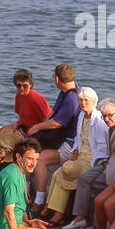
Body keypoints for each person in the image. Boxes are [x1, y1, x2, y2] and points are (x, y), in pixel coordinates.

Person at [39, 87, 107, 225]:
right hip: (80, 156)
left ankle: (58, 215)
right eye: (81, 100)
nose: (83, 103)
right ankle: (48, 208)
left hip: (92, 160)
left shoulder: (99, 121)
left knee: (65, 173)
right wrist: (75, 150)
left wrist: (94, 163)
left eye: (86, 100)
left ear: (94, 101)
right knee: (58, 173)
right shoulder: (82, 116)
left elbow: (103, 146)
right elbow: (78, 137)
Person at [67, 98, 115, 229]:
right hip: (107, 162)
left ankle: (95, 226)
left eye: (110, 115)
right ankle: (81, 218)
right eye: (104, 116)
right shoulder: (110, 126)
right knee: (84, 178)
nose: (107, 119)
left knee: (97, 185)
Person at [0, 138, 64, 229]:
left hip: (12, 226)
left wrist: (29, 221)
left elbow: (18, 206)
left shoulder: (19, 170)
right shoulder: (12, 176)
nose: (34, 163)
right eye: (30, 159)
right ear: (19, 157)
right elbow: (8, 212)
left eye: (36, 159)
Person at [25, 63, 80, 204]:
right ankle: (26, 190)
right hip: (59, 138)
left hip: (69, 143)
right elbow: (52, 114)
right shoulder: (66, 92)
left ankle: (39, 200)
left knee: (39, 160)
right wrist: (39, 128)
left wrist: (38, 127)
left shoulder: (72, 99)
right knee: (29, 150)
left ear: (56, 79)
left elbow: (58, 122)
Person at [12, 69, 52, 134]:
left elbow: (48, 120)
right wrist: (18, 122)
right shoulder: (18, 96)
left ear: (30, 85)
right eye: (19, 85)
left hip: (38, 132)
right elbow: (21, 116)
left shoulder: (36, 98)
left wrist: (36, 129)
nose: (21, 88)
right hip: (24, 128)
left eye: (25, 86)